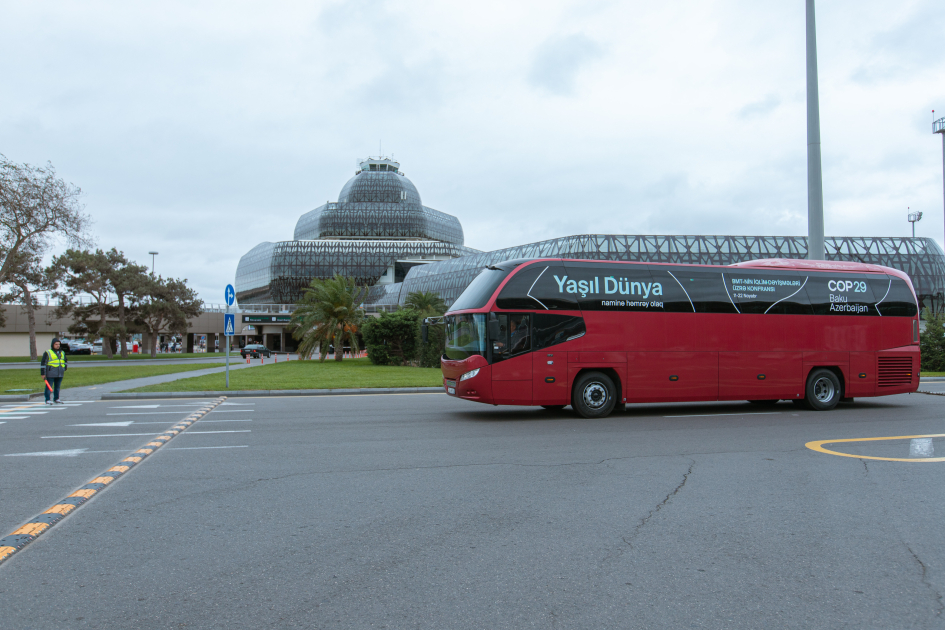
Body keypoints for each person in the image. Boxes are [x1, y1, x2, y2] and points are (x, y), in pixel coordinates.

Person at [40, 337, 68, 405]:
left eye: (58, 344)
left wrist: (65, 368)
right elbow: (43, 364)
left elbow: (65, 361)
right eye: (56, 344)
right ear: (53, 345)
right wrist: (43, 373)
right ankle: (47, 399)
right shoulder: (48, 352)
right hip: (51, 373)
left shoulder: (62, 352)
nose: (58, 345)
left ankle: (56, 398)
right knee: (49, 386)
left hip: (59, 373)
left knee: (57, 387)